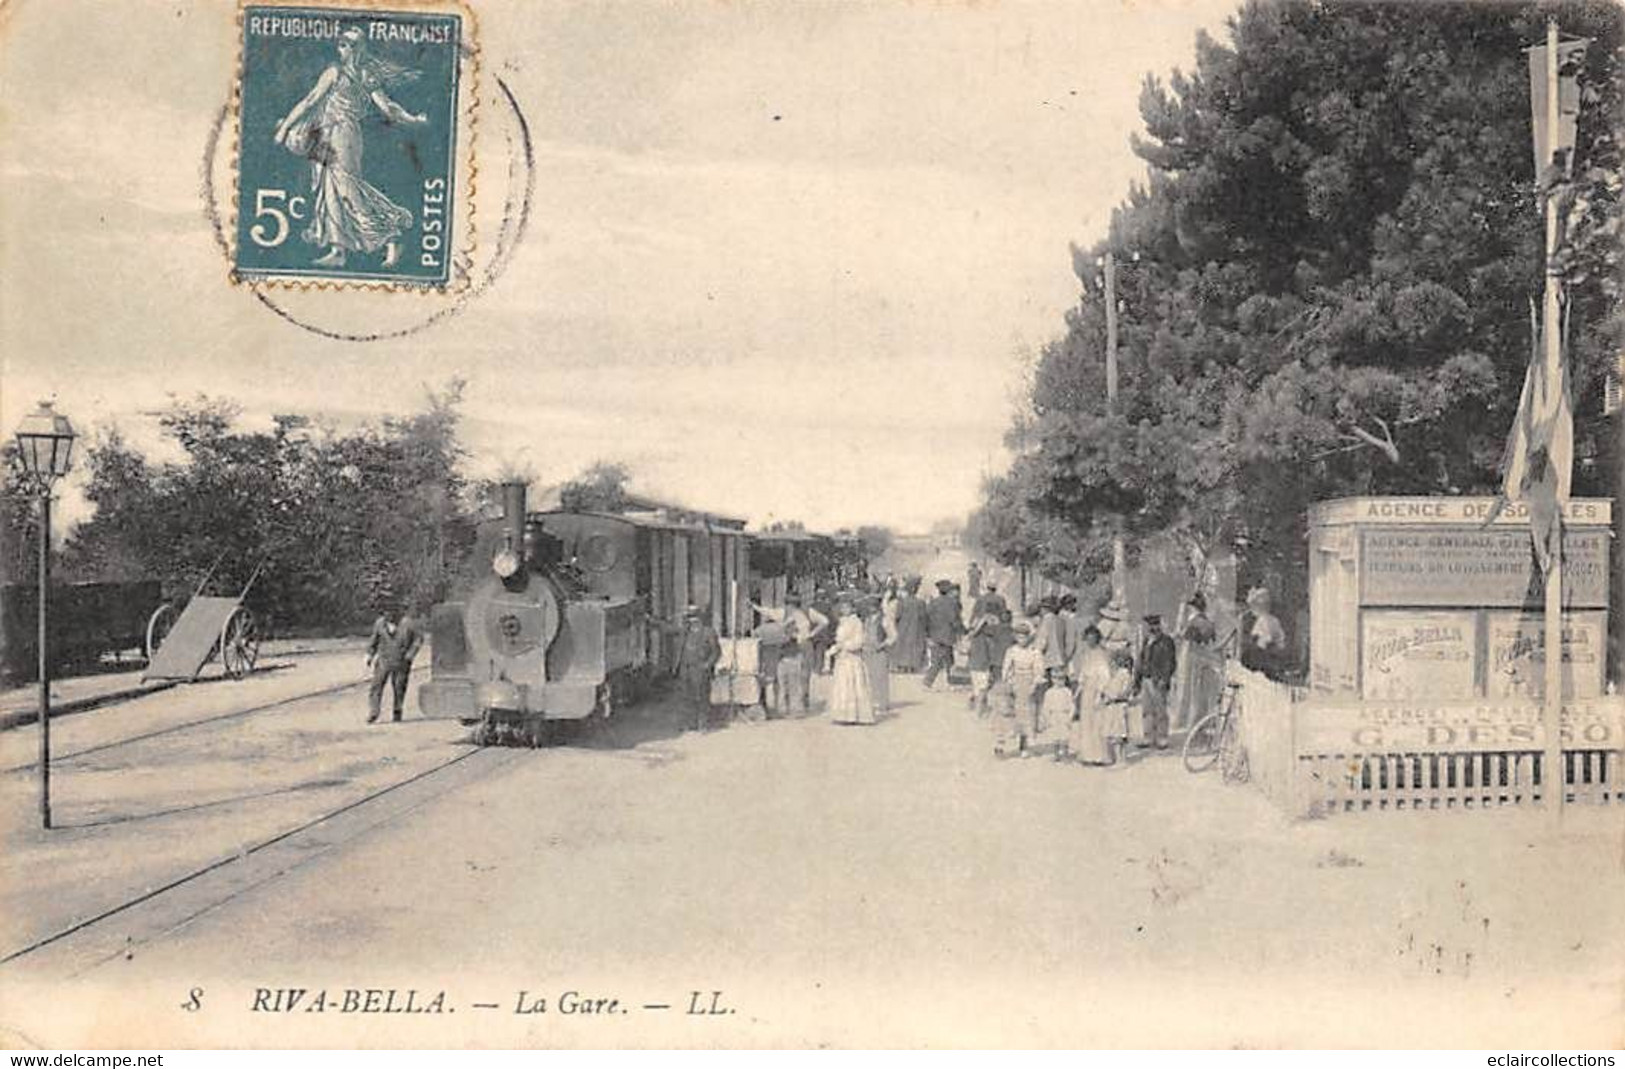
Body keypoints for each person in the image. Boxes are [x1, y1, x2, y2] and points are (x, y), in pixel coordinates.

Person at [273, 27, 428, 269]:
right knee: (330, 188)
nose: (345, 49)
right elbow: (311, 100)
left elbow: (388, 108)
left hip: (345, 136)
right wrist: (286, 128)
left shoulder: (365, 75)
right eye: (343, 44)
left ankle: (390, 236)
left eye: (351, 45)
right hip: (328, 133)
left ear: (360, 48)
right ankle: (338, 250)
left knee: (347, 188)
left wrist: (412, 119)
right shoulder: (335, 72)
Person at [995, 620, 1046, 757]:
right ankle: (1001, 744)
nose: (1021, 639)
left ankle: (1024, 746)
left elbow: (1039, 670)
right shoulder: (1011, 651)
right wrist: (1008, 681)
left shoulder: (1034, 652)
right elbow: (1006, 668)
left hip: (1027, 683)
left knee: (1026, 715)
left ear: (1029, 637)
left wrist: (1034, 685)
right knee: (1007, 713)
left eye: (1024, 636)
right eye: (1019, 637)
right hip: (1014, 682)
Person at [366, 605, 424, 723]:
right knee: (376, 686)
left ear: (398, 613)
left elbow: (418, 639)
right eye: (386, 613)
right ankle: (374, 712)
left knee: (399, 687)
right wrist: (369, 655)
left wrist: (410, 654)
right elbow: (374, 640)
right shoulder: (379, 624)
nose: (389, 616)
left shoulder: (408, 623)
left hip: (401, 661)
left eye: (392, 613)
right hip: (383, 660)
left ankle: (397, 710)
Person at [1069, 625, 1117, 764]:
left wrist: (1100, 692)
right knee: (1086, 722)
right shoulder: (1086, 654)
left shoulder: (1102, 654)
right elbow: (1083, 674)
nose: (1090, 642)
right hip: (1087, 691)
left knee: (1098, 722)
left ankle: (1100, 755)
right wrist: (1078, 691)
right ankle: (1087, 754)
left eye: (1093, 639)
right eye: (1088, 639)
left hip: (1097, 690)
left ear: (1097, 639)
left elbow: (1105, 675)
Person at [826, 600, 875, 725]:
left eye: (847, 607)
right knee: (843, 686)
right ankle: (843, 715)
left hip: (852, 658)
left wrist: (845, 646)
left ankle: (857, 715)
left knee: (854, 685)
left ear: (853, 608)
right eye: (843, 607)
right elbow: (839, 638)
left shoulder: (856, 622)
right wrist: (836, 648)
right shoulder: (843, 621)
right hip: (842, 658)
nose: (844, 609)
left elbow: (859, 640)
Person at [1133, 614, 1178, 750]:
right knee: (1147, 710)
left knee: (1160, 709)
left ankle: (1162, 738)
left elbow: (1170, 663)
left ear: (1159, 626)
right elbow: (1140, 661)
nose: (1152, 628)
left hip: (1158, 680)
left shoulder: (1167, 641)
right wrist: (1137, 680)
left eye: (1154, 625)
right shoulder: (1146, 640)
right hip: (1146, 678)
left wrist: (1164, 679)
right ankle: (1148, 737)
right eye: (1150, 625)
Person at [676, 606, 721, 731]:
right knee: (686, 697)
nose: (692, 621)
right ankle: (689, 723)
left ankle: (703, 724)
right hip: (686, 669)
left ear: (700, 619)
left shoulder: (708, 632)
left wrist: (707, 665)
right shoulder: (685, 632)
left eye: (694, 617)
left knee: (702, 698)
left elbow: (716, 652)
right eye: (689, 618)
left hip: (700, 670)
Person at [922, 580, 964, 688]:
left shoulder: (933, 602)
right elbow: (954, 620)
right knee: (946, 659)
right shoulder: (952, 603)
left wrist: (927, 634)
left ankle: (934, 680)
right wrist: (962, 631)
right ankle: (931, 681)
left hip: (934, 635)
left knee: (938, 658)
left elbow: (926, 619)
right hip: (947, 635)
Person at [1239, 587, 1288, 680]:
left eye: (1253, 607)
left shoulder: (1265, 620)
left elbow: (1266, 641)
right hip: (1268, 652)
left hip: (1269, 654)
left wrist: (1255, 644)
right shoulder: (1268, 619)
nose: (1252, 610)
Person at [862, 597, 896, 718]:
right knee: (869, 676)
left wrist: (882, 645)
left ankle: (883, 702)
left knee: (881, 676)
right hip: (867, 650)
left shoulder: (885, 620)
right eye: (869, 606)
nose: (870, 608)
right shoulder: (867, 619)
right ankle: (872, 701)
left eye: (873, 606)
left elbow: (893, 636)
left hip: (880, 651)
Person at [965, 599, 1000, 716]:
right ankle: (979, 711)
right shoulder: (989, 636)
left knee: (978, 686)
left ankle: (974, 704)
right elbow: (992, 651)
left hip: (974, 662)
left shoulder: (975, 633)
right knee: (983, 687)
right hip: (983, 662)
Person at [892, 577, 928, 673]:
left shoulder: (902, 602)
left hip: (904, 628)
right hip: (916, 629)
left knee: (903, 645)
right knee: (915, 646)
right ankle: (913, 665)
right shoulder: (921, 603)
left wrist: (898, 626)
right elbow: (924, 618)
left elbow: (897, 617)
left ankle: (902, 665)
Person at [1038, 596, 1073, 685]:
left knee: (1051, 684)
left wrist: (1036, 651)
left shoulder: (1046, 620)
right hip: (1061, 657)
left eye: (1041, 608)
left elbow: (1042, 641)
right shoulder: (1061, 620)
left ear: (1046, 609)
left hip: (1049, 658)